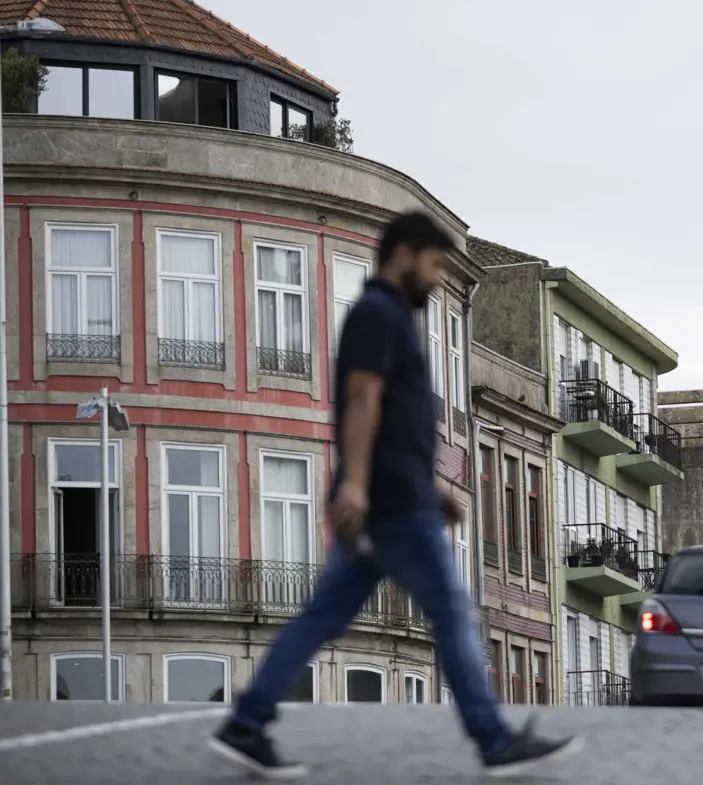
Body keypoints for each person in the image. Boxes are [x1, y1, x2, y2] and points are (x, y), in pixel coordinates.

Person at [209, 211, 582, 778]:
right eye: (432, 265)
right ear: (403, 255)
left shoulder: (389, 318)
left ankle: (246, 722)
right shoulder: (379, 314)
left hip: (396, 495)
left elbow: (397, 424)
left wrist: (434, 486)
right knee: (454, 614)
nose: (435, 279)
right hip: (391, 506)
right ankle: (493, 740)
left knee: (321, 618)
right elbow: (363, 400)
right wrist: (358, 483)